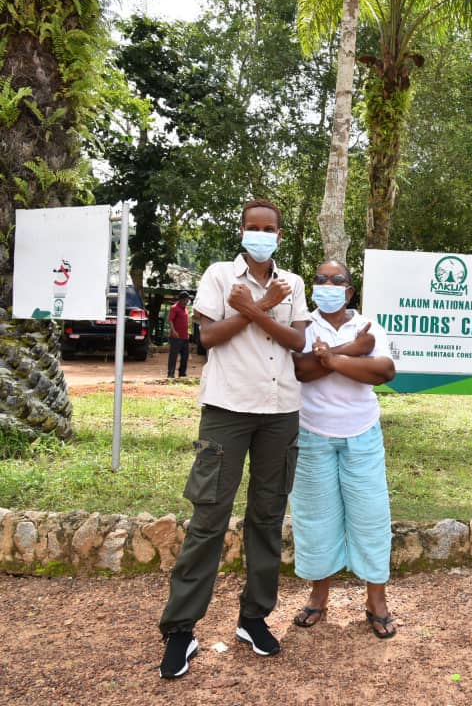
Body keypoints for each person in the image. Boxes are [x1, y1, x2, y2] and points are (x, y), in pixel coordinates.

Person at [158, 199, 310, 679]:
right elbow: (209, 337)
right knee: (209, 516)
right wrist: (257, 308)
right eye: (252, 227)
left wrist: (259, 308)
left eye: (269, 228)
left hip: (281, 412)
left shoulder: (294, 284)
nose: (260, 234)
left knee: (267, 516)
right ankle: (181, 628)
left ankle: (254, 617)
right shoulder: (220, 276)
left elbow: (298, 343)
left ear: (279, 236)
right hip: (227, 409)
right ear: (242, 231)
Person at [289, 260, 397, 638]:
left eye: (338, 281)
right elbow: (301, 370)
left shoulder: (368, 326)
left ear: (350, 291)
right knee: (315, 518)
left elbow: (383, 372)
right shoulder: (303, 325)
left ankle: (376, 601)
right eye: (320, 280)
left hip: (362, 433)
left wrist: (331, 358)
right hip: (311, 433)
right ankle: (318, 597)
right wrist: (353, 352)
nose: (328, 285)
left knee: (371, 516)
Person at [167, 291, 191, 378]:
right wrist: (173, 331)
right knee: (173, 356)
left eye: (187, 300)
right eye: (185, 300)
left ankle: (182, 374)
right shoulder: (174, 308)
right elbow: (170, 320)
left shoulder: (185, 308)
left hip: (185, 337)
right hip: (176, 337)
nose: (186, 302)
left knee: (185, 356)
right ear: (181, 300)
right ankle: (170, 374)